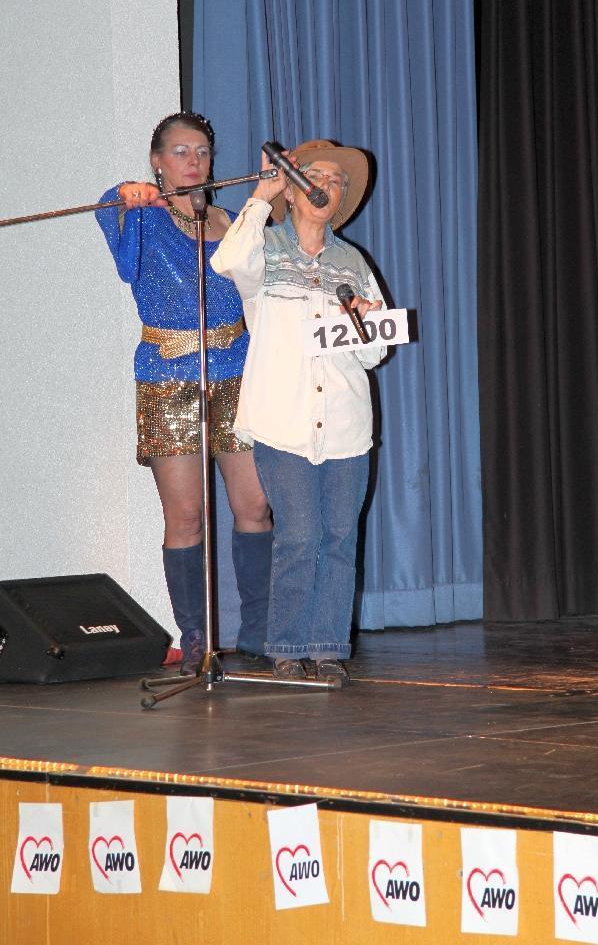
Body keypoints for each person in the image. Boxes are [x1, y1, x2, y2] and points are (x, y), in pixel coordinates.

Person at [96, 112, 272, 674]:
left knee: (255, 506)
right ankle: (195, 637)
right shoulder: (141, 212)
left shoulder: (234, 221)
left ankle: (260, 631)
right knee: (187, 516)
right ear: (157, 161)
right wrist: (127, 197)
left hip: (238, 371)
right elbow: (114, 227)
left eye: (201, 151)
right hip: (168, 376)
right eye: (179, 151)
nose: (193, 161)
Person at [211, 140, 386, 684]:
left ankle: (328, 649)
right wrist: (261, 197)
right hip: (282, 422)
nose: (326, 185)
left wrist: (366, 322)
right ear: (293, 187)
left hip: (346, 425)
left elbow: (374, 352)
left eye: (336, 181)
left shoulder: (352, 262)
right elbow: (226, 262)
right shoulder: (262, 247)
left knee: (339, 539)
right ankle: (286, 646)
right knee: (300, 536)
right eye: (315, 175)